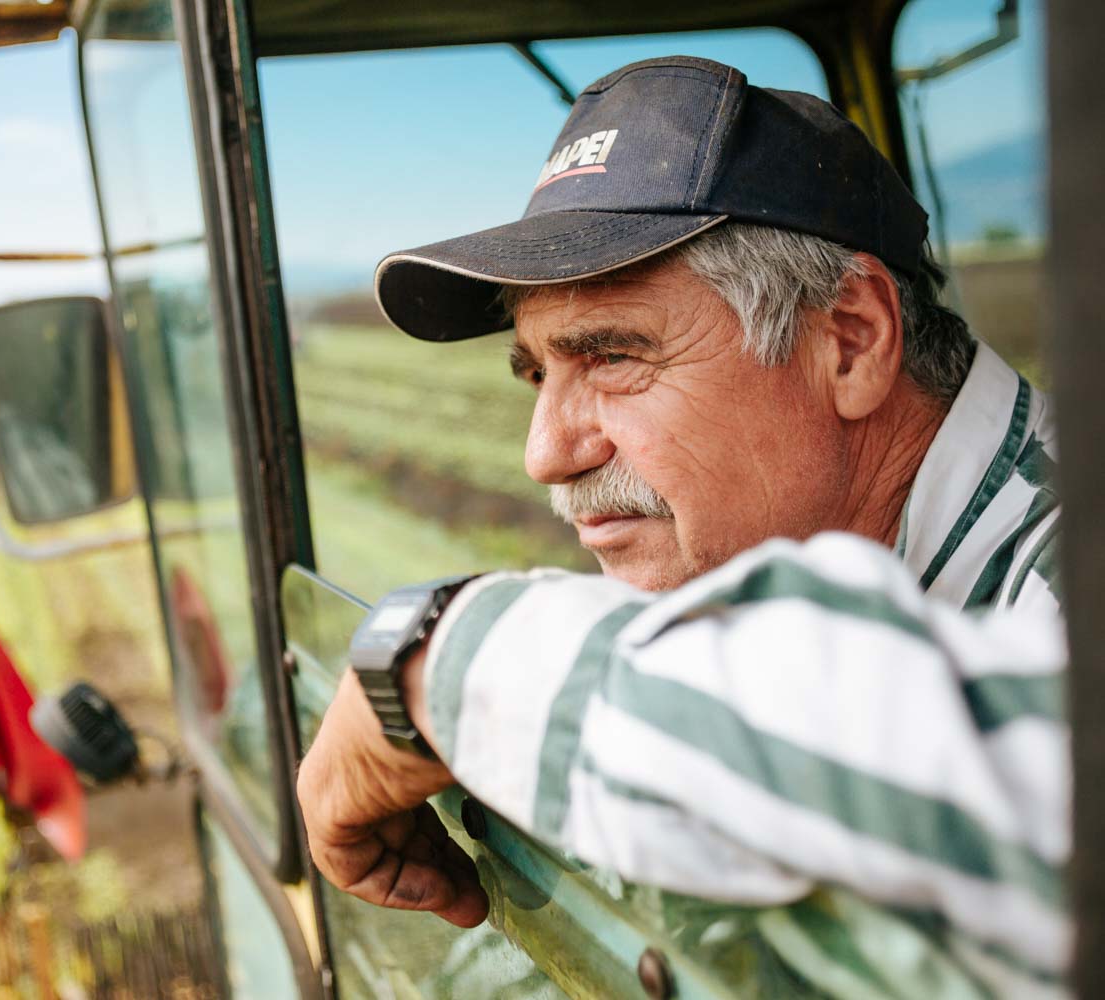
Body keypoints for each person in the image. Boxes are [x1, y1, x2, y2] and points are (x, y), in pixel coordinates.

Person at [296, 56, 1068, 993]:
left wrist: (438, 663)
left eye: (614, 354)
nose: (544, 453)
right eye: (538, 372)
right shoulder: (763, 593)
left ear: (852, 339)